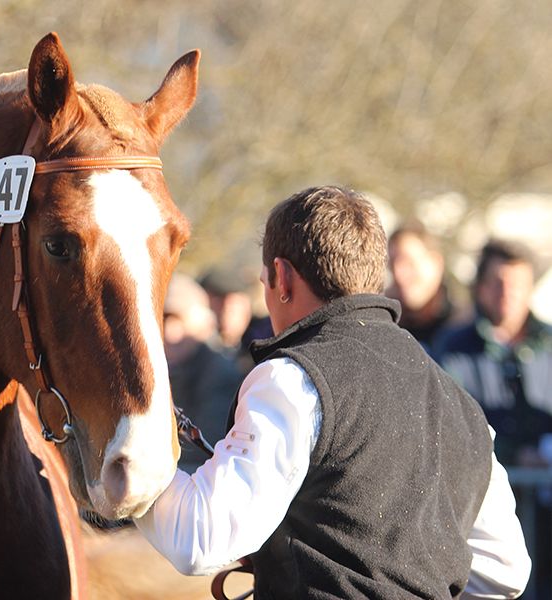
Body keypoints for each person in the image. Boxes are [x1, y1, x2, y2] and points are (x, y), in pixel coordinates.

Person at [137, 186, 531, 598]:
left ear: (283, 278)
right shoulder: (460, 403)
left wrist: (130, 466)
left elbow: (199, 538)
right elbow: (506, 571)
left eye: (265, 281)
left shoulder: (290, 381)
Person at [436, 240, 552, 467]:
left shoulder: (548, 344)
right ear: (481, 287)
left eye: (518, 284)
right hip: (485, 488)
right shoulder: (454, 349)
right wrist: (511, 454)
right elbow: (450, 427)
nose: (508, 293)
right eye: (498, 282)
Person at [163, 273, 244, 471]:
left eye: (177, 320)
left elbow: (203, 451)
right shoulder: (166, 369)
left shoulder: (220, 374)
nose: (168, 332)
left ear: (202, 323)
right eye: (161, 320)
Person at [386, 220, 463, 354]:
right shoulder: (385, 327)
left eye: (409, 262)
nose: (399, 274)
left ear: (436, 263)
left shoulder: (462, 329)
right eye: (392, 264)